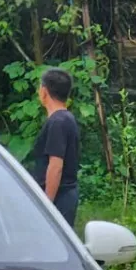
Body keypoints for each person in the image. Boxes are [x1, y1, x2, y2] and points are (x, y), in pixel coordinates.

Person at [31, 68, 80, 227]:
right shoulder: (66, 118)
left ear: (44, 92)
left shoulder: (58, 122)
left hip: (59, 197)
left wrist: (47, 205)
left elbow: (56, 166)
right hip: (64, 195)